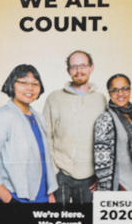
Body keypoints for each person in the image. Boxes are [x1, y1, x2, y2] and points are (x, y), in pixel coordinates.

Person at [0, 64, 58, 203]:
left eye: (35, 84)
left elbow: (45, 160)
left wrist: (50, 194)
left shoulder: (39, 117)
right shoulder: (1, 117)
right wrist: (8, 199)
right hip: (15, 199)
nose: (30, 88)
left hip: (42, 198)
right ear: (12, 84)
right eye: (23, 83)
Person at [43, 50, 107, 204]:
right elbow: (46, 136)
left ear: (91, 68)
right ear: (68, 71)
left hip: (90, 178)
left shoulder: (101, 99)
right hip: (60, 175)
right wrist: (53, 173)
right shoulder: (54, 98)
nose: (79, 71)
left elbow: (106, 140)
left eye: (83, 65)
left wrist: (101, 175)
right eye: (74, 67)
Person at [94, 74, 132, 191]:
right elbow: (101, 162)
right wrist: (107, 190)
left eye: (124, 88)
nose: (120, 94)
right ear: (109, 93)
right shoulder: (105, 119)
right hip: (121, 185)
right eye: (114, 90)